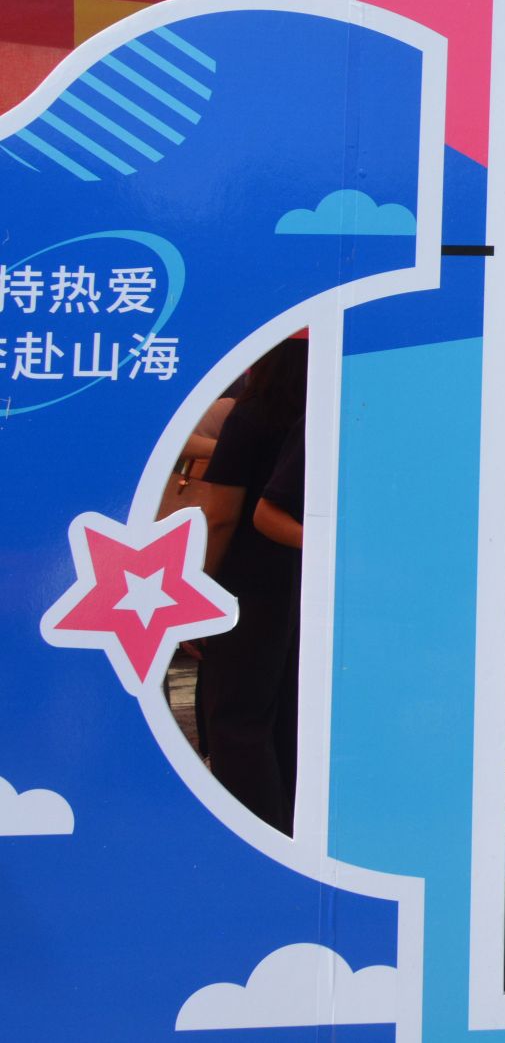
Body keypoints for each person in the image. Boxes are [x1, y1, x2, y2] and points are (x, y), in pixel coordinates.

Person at [197, 338, 307, 836]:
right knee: (286, 715)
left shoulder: (252, 416)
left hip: (245, 588)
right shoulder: (323, 414)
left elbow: (220, 518)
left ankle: (253, 835)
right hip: (302, 582)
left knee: (236, 719)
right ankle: (290, 829)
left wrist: (200, 592)